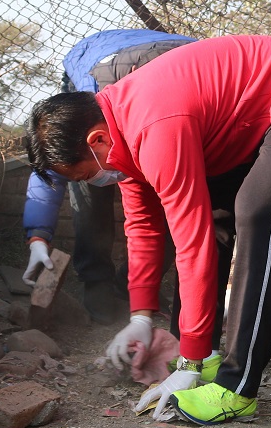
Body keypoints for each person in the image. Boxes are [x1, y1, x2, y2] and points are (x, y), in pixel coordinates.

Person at [24, 35, 271, 425]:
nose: (90, 182)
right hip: (249, 121)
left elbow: (190, 244)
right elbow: (144, 228)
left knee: (257, 213)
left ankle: (237, 388)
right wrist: (141, 316)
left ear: (96, 140)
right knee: (219, 224)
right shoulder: (118, 135)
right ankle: (207, 357)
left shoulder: (152, 124)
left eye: (84, 175)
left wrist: (188, 361)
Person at [21, 29, 193, 320]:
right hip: (98, 62)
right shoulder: (92, 100)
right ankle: (97, 283)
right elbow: (51, 162)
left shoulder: (182, 91)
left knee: (169, 194)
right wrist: (38, 236)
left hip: (167, 82)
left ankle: (135, 288)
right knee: (88, 179)